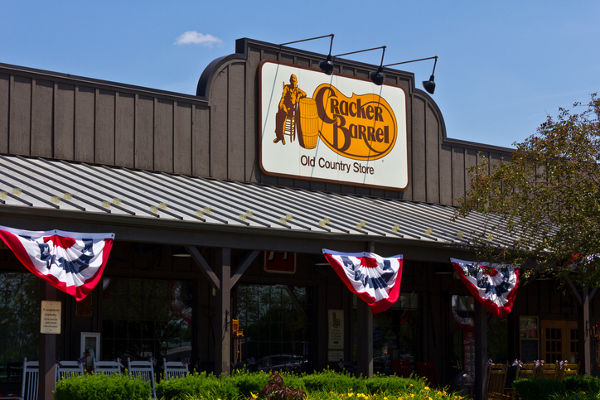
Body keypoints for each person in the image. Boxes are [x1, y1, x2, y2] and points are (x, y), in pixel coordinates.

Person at [274, 74, 306, 144]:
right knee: (278, 115)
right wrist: (280, 104)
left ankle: (281, 136)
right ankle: (279, 135)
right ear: (290, 81)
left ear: (297, 81)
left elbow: (304, 94)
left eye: (294, 81)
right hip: (285, 107)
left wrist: (298, 96)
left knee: (282, 115)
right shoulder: (287, 88)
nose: (293, 83)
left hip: (292, 111)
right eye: (292, 81)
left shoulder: (297, 90)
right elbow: (283, 96)